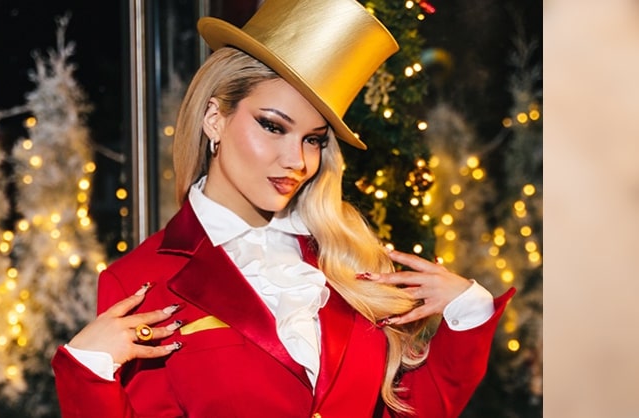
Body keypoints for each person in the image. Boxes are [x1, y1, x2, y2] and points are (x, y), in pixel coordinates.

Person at [52, 0, 515, 417]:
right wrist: (89, 372)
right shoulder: (139, 280)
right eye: (273, 127)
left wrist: (467, 312)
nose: (297, 160)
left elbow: (409, 410)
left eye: (313, 139)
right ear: (215, 118)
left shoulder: (349, 260)